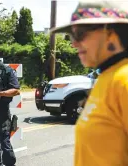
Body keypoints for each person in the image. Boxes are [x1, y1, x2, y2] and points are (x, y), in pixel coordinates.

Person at [51, 1, 128, 166]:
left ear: (110, 32)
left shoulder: (124, 80)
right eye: (71, 35)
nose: (73, 43)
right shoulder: (107, 76)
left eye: (80, 34)